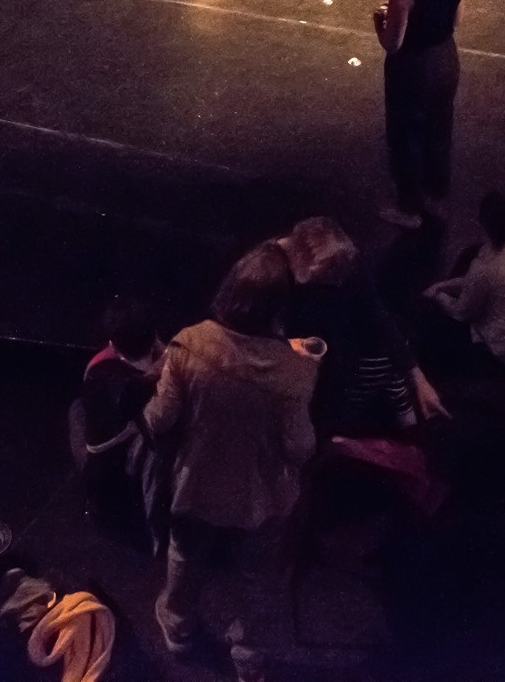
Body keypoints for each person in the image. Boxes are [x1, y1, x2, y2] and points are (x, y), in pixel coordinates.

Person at [143, 243, 318, 682]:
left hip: (196, 486)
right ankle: (248, 656)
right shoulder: (295, 370)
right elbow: (299, 448)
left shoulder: (191, 343)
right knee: (257, 578)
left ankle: (179, 629)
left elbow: (160, 418)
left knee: (185, 557)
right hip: (260, 499)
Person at [278, 217, 446, 436]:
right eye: (329, 272)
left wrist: (418, 379)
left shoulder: (347, 263)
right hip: (287, 361)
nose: (338, 279)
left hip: (336, 362)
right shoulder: (274, 269)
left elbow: (377, 316)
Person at [374, 0, 462, 230]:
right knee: (439, 128)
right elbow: (455, 23)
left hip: (414, 69)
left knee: (406, 134)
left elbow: (393, 43)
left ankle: (409, 207)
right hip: (446, 60)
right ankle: (436, 191)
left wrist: (378, 22)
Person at [422, 190, 505, 375]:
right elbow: (479, 282)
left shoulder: (484, 269)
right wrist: (443, 285)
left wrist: (437, 294)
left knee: (436, 327)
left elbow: (461, 312)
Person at [79, 299, 163, 532]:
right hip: (113, 469)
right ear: (154, 336)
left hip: (98, 449)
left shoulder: (99, 366)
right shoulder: (136, 386)